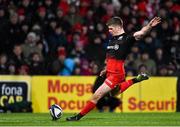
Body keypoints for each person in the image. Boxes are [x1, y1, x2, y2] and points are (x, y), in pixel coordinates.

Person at [66, 16, 161, 121]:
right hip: (110, 72)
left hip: (116, 73)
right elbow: (110, 57)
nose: (109, 31)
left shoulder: (127, 38)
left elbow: (141, 33)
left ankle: (77, 117)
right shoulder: (112, 40)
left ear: (118, 27)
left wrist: (149, 26)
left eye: (111, 28)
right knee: (114, 93)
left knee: (96, 96)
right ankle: (136, 79)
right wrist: (105, 69)